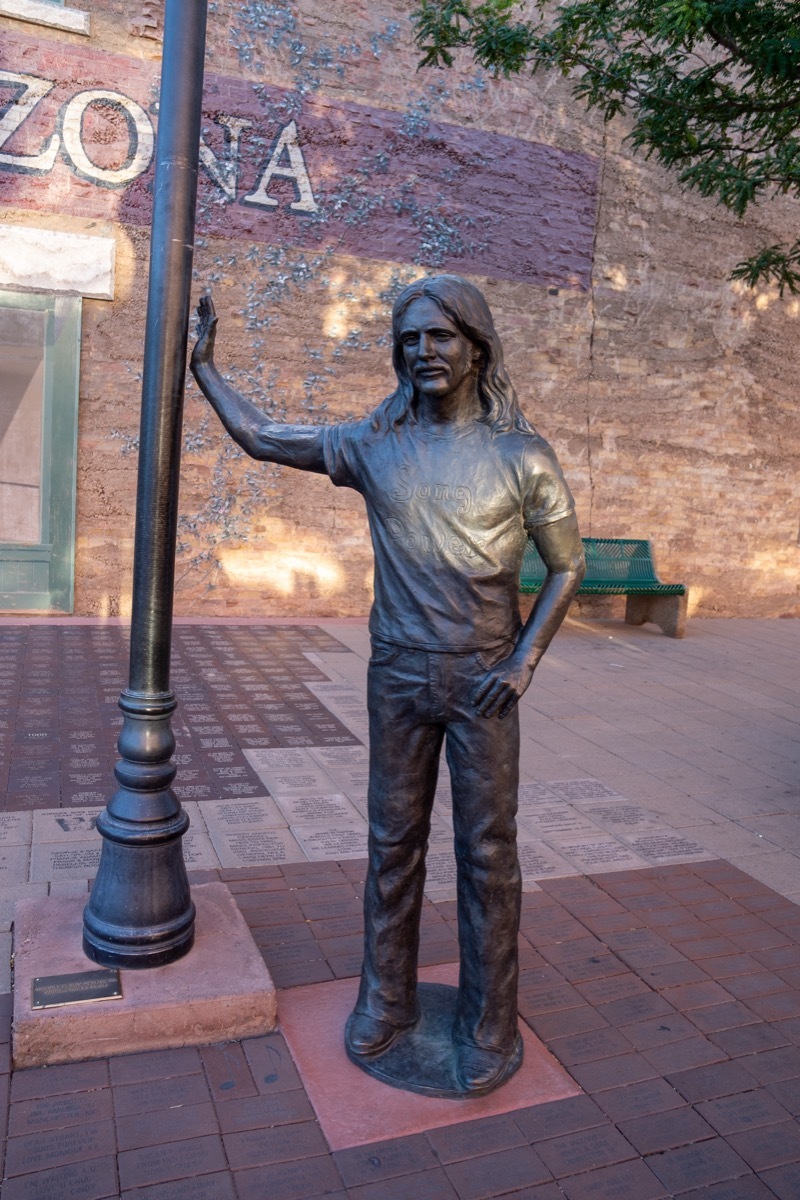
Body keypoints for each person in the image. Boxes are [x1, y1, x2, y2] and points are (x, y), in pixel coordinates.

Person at [191, 274, 585, 1096]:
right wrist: (205, 368)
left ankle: (488, 1022)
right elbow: (264, 436)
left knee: (487, 857)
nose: (423, 352)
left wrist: (522, 663)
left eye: (440, 336)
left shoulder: (523, 457)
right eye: (409, 340)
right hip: (398, 674)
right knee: (391, 847)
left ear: (477, 345)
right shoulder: (375, 445)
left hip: (484, 682)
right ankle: (385, 1001)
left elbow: (567, 565)